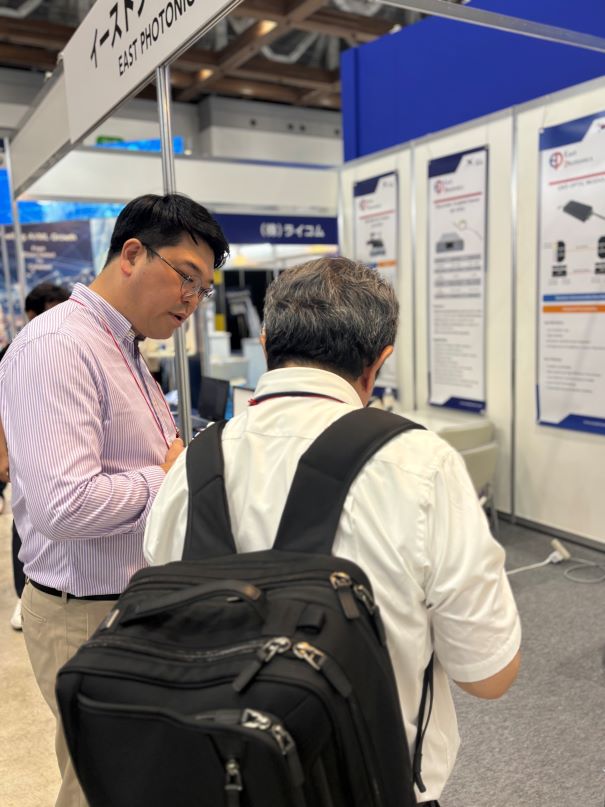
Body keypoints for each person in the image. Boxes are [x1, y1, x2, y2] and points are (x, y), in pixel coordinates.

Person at [144, 257, 521, 806]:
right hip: (372, 786)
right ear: (380, 361)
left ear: (267, 345)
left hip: (221, 781)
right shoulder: (422, 465)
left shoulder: (189, 466)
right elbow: (488, 676)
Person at [0, 193, 229, 807]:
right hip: (85, 616)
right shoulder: (60, 347)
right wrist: (168, 477)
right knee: (104, 785)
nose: (192, 299)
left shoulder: (120, 344)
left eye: (203, 289)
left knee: (134, 777)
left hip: (126, 603)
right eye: (186, 277)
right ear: (132, 254)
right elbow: (63, 504)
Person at [0, 282, 71, 630]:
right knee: (25, 519)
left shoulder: (69, 344)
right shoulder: (16, 351)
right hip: (24, 452)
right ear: (32, 313)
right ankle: (22, 594)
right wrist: (3, 454)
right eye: (49, 310)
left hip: (61, 449)